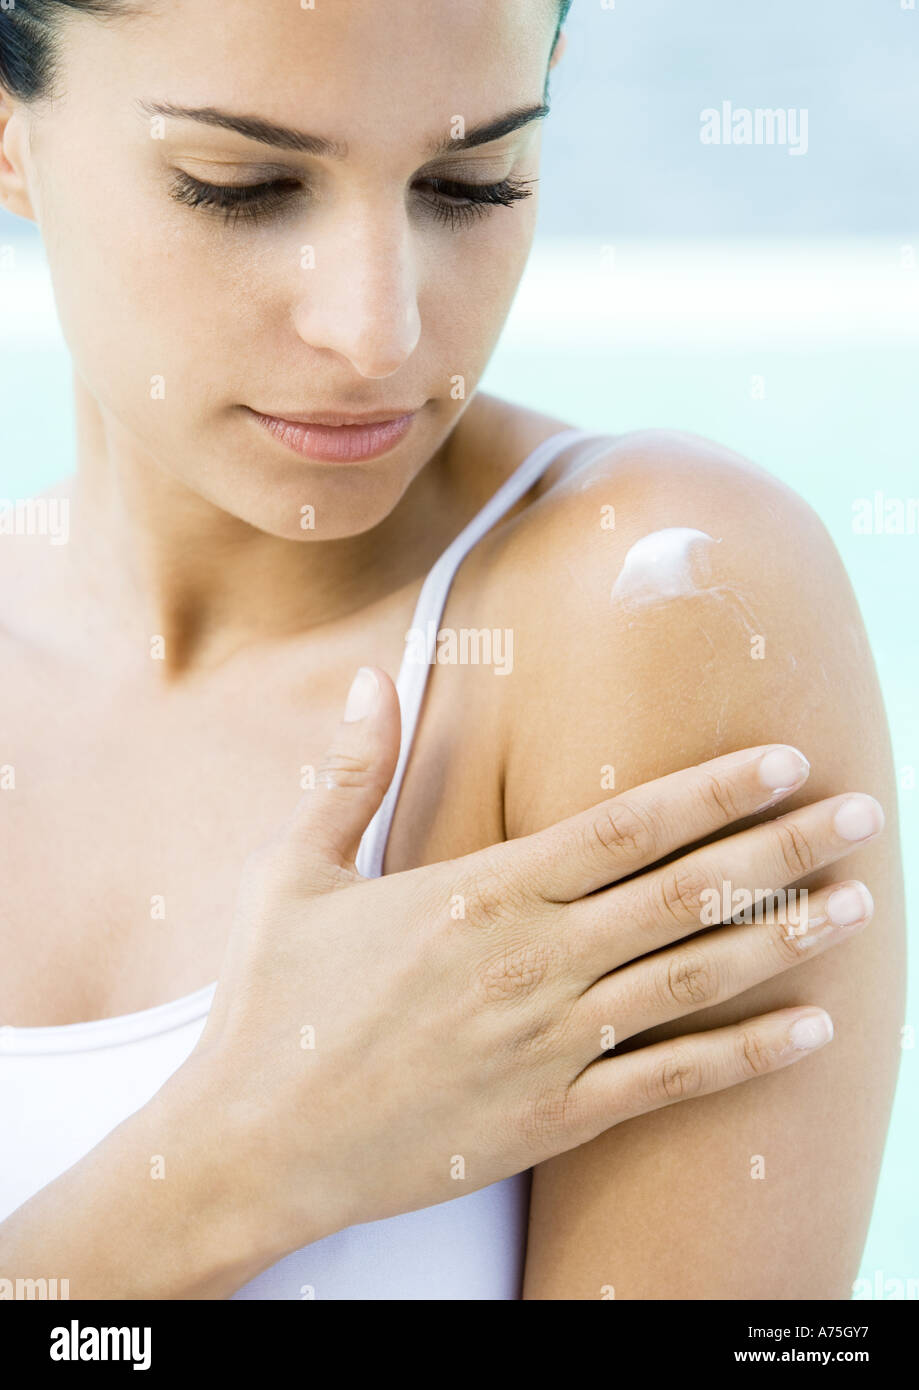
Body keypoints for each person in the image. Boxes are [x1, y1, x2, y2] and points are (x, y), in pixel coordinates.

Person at [0, 0, 904, 1300]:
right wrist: (229, 1168)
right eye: (241, 186)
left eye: (473, 183)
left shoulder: (658, 597)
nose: (378, 332)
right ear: (10, 129)